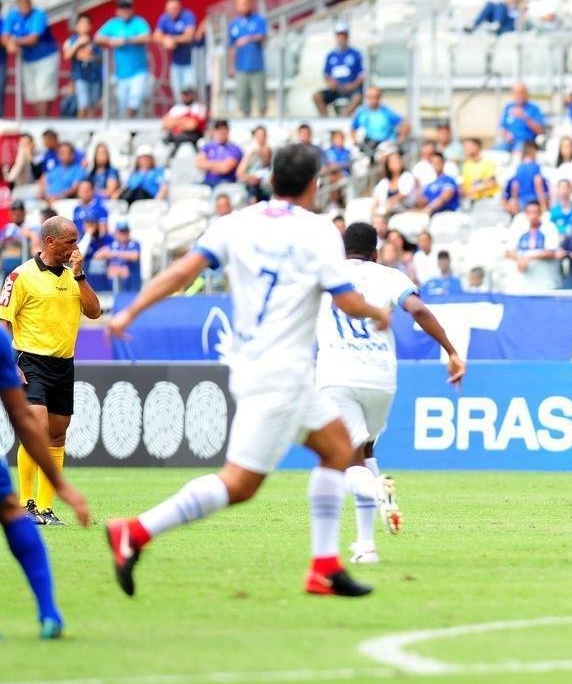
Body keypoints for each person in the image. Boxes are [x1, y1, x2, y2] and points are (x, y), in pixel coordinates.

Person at [105, 144, 393, 598]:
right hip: (280, 376)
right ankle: (135, 531)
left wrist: (129, 311)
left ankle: (324, 567)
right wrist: (378, 311)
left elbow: (182, 272)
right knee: (239, 484)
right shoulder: (319, 231)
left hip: (269, 369)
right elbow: (346, 298)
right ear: (314, 184)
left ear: (270, 178)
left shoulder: (235, 223)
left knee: (339, 448)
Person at [316, 223, 463, 564]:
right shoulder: (389, 276)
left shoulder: (325, 275)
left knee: (344, 465)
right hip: (381, 378)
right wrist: (451, 352)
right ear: (375, 251)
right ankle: (366, 546)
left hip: (338, 376)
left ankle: (377, 490)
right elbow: (419, 310)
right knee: (365, 452)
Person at [2, 215, 102, 526]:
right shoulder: (20, 276)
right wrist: (8, 364)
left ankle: (45, 509)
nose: (76, 246)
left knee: (57, 435)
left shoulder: (75, 276)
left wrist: (81, 275)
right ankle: (25, 503)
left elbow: (95, 311)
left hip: (63, 363)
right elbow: (4, 322)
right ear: (50, 242)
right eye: (70, 241)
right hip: (30, 360)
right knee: (38, 427)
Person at [0, 320, 89, 638]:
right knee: (9, 511)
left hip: (62, 364)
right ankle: (49, 613)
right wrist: (62, 485)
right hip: (35, 360)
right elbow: (21, 418)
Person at [95, 0, 152, 118]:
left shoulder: (139, 22)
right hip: (121, 72)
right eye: (122, 9)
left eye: (127, 8)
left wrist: (126, 40)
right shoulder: (113, 24)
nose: (125, 11)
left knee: (135, 98)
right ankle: (127, 125)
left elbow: (146, 37)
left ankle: (132, 122)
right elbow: (97, 37)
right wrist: (111, 41)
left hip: (138, 70)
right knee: (122, 103)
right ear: (117, 11)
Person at [3, 0, 59, 118]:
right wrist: (9, 43)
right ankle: (39, 117)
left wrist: (14, 41)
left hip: (45, 57)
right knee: (32, 92)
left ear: (30, 5)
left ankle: (43, 119)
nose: (23, 9)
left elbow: (33, 39)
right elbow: (5, 35)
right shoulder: (13, 15)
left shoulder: (38, 14)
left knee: (43, 90)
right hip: (27, 59)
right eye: (21, 6)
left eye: (26, 6)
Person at [505, 201, 561, 292]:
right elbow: (508, 251)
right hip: (522, 283)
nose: (533, 216)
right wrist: (519, 259)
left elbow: (551, 252)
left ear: (541, 213)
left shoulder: (549, 228)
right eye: (530, 212)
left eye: (536, 212)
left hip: (544, 282)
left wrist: (529, 256)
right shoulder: (519, 228)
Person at [227, 0, 268, 118]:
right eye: (240, 4)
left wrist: (248, 38)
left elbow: (263, 36)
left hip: (257, 66)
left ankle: (262, 121)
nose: (243, 6)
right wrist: (231, 66)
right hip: (241, 67)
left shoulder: (258, 20)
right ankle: (246, 119)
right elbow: (231, 47)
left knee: (260, 96)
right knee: (242, 97)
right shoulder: (233, 24)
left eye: (246, 3)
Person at [154, 0, 199, 101]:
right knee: (177, 93)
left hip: (191, 61)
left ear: (180, 7)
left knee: (189, 91)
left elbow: (189, 36)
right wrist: (165, 40)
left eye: (174, 8)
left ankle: (191, 113)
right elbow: (156, 36)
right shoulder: (164, 18)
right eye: (169, 9)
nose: (171, 11)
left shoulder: (187, 16)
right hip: (175, 63)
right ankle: (181, 114)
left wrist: (172, 40)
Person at [313, 24, 364, 116]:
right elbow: (326, 74)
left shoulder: (356, 54)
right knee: (317, 96)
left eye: (343, 35)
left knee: (358, 97)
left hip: (351, 89)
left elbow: (361, 75)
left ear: (347, 37)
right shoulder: (330, 55)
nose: (341, 38)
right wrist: (330, 82)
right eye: (339, 36)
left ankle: (343, 118)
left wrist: (352, 85)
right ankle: (325, 119)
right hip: (335, 89)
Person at [63, 13, 102, 118]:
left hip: (95, 78)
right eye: (82, 23)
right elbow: (67, 55)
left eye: (87, 23)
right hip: (80, 77)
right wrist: (79, 44)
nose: (84, 26)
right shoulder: (71, 41)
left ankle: (90, 130)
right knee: (83, 105)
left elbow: (100, 58)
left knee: (92, 106)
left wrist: (88, 55)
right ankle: (81, 128)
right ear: (76, 26)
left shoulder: (95, 42)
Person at [351, 87, 409, 156]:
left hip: (385, 144)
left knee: (390, 158)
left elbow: (405, 125)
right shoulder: (361, 112)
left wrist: (399, 140)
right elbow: (353, 128)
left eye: (376, 96)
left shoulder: (386, 111)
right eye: (370, 97)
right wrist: (356, 142)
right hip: (368, 145)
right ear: (366, 98)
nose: (373, 99)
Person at [497, 83, 545, 152]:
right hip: (509, 142)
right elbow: (502, 126)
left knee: (518, 150)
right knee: (494, 151)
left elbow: (540, 130)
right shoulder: (508, 107)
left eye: (522, 92)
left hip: (526, 142)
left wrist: (524, 116)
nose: (519, 95)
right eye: (517, 93)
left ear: (526, 94)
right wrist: (506, 134)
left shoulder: (534, 108)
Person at [161, 87, 208, 156]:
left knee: (183, 142)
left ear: (192, 95)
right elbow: (165, 123)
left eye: (187, 94)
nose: (185, 97)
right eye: (183, 94)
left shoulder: (199, 107)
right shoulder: (176, 108)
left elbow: (192, 125)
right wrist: (183, 121)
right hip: (175, 136)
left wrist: (175, 122)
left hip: (193, 137)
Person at [506, 142, 549, 215]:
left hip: (522, 201)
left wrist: (515, 201)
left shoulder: (519, 168)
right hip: (534, 201)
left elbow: (515, 185)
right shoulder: (535, 167)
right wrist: (543, 206)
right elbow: (538, 184)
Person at [197, 120, 243, 188]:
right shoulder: (208, 146)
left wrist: (208, 165)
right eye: (218, 130)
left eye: (223, 130)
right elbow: (199, 163)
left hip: (226, 182)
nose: (221, 133)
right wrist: (219, 164)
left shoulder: (234, 149)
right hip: (208, 181)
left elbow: (225, 168)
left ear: (228, 131)